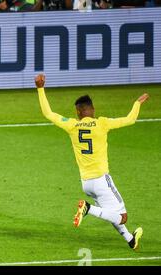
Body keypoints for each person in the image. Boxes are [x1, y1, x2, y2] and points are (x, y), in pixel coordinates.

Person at [34, 74, 149, 250]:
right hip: (102, 180)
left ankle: (130, 239)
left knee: (109, 212)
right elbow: (130, 119)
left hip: (86, 182)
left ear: (78, 112)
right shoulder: (102, 123)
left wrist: (40, 88)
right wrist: (137, 103)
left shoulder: (72, 125)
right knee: (122, 216)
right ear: (93, 109)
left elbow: (48, 113)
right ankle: (88, 208)